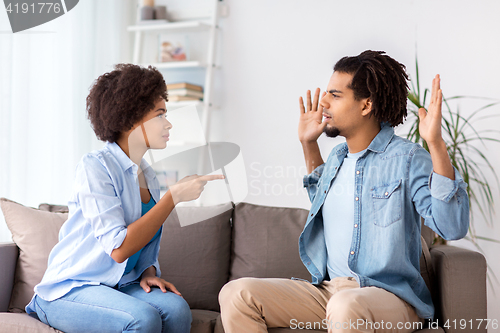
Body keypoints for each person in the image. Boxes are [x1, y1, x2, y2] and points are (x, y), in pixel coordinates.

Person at [219, 50, 469, 333]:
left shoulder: (408, 158)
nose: (324, 102)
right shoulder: (338, 157)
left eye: (335, 95)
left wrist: (435, 144)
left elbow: (452, 227)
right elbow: (324, 203)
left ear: (366, 105)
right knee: (237, 294)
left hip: (391, 298)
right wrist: (307, 143)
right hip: (331, 293)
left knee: (345, 305)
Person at [25, 64, 225, 333]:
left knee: (177, 311)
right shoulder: (95, 167)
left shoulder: (148, 174)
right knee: (142, 318)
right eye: (160, 115)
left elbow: (146, 243)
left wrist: (148, 273)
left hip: (119, 285)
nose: (169, 124)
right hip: (71, 288)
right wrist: (173, 197)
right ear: (131, 119)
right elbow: (119, 249)